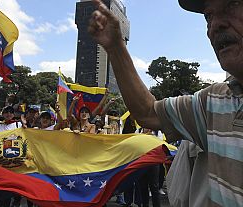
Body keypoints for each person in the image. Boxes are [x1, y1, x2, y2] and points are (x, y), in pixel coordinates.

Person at [88, 0, 243, 206]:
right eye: (208, 16)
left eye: (231, 5)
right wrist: (116, 46)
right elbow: (147, 112)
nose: (214, 26)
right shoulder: (212, 102)